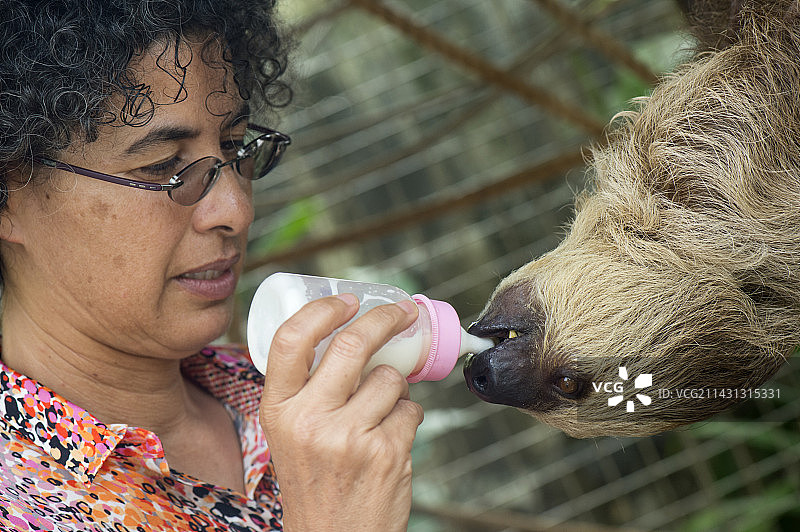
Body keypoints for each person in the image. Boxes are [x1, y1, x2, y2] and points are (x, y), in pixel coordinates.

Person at [0, 1, 424, 530]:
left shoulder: (281, 396)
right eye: (164, 167)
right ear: (10, 197)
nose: (236, 209)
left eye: (234, 146)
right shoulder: (23, 504)